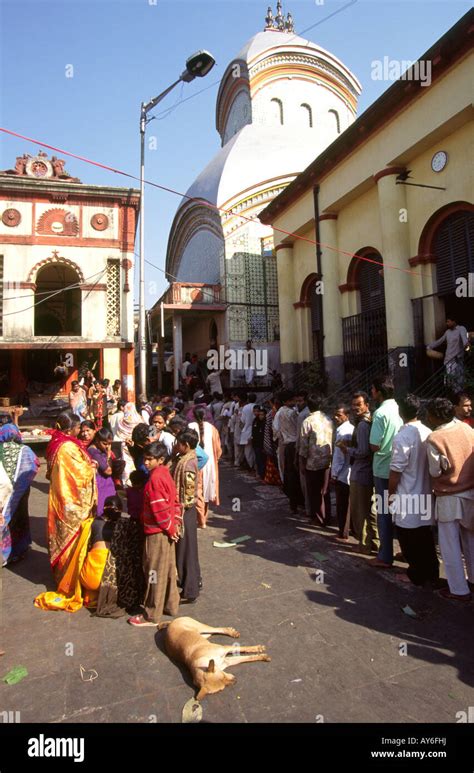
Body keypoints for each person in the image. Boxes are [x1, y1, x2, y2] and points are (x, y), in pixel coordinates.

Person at [34, 411, 97, 613]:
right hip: (71, 504)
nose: (81, 431)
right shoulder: (68, 447)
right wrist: (92, 466)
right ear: (71, 429)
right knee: (74, 541)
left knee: (62, 538)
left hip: (60, 501)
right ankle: (71, 582)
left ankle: (63, 577)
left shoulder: (55, 443)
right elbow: (80, 476)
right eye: (78, 427)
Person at [425, 397, 474, 601]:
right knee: (470, 540)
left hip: (448, 496)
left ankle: (458, 589)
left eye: (429, 414)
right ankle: (472, 580)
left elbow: (435, 471)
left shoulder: (435, 438)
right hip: (470, 492)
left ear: (436, 416)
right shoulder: (467, 429)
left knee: (450, 544)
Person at [127, 441, 181, 626]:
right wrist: (174, 527)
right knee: (167, 570)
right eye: (145, 458)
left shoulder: (154, 480)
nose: (146, 462)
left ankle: (151, 614)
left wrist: (169, 528)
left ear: (160, 459)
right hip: (167, 530)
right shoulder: (165, 474)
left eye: (150, 459)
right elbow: (174, 503)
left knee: (154, 572)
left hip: (157, 532)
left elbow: (160, 509)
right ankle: (171, 605)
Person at [388, 395, 439, 587]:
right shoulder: (427, 432)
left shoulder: (402, 436)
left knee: (409, 536)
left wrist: (390, 495)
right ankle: (431, 572)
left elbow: (395, 472)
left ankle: (416, 574)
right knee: (424, 535)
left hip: (408, 494)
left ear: (400, 412)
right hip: (425, 491)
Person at [80, 495, 145, 616]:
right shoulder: (124, 525)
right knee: (130, 559)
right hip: (106, 583)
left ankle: (91, 595)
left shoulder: (91, 523)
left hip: (87, 579)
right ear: (120, 510)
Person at [369, 375, 402, 568]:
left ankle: (385, 555)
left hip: (383, 468)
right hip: (400, 466)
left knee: (384, 513)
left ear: (379, 392)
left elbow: (374, 445)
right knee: (403, 512)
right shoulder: (399, 408)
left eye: (373, 390)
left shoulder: (380, 413)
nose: (372, 393)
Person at [0, 420, 39, 566]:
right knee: (19, 519)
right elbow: (35, 465)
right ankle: (16, 551)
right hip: (20, 493)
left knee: (4, 520)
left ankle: (3, 554)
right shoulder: (25, 450)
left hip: (2, 494)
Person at [344, 392, 379, 555]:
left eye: (359, 404)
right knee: (370, 510)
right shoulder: (366, 422)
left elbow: (363, 451)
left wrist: (347, 449)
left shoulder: (364, 425)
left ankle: (365, 544)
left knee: (361, 511)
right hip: (367, 470)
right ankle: (375, 542)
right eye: (353, 405)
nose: (355, 408)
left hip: (362, 471)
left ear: (367, 405)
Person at [171, 429, 201, 603]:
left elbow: (189, 493)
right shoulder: (184, 459)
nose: (176, 445)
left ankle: (190, 588)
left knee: (186, 549)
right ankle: (192, 582)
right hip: (183, 509)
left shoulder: (188, 463)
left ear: (186, 445)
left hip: (185, 510)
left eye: (179, 443)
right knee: (187, 548)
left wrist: (180, 508)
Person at [300, 394, 333, 524]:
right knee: (325, 490)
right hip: (327, 460)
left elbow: (303, 445)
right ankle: (327, 516)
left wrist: (301, 462)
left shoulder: (307, 421)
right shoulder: (328, 419)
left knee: (313, 491)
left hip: (312, 462)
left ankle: (319, 517)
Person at [189, 408, 222, 528]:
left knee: (197, 492)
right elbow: (218, 450)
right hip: (210, 464)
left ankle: (201, 520)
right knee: (207, 491)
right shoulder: (212, 428)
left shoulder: (190, 426)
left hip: (195, 463)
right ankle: (203, 518)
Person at [274, 390, 303, 513]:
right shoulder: (293, 413)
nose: (294, 402)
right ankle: (298, 501)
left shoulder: (279, 413)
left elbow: (275, 430)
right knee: (296, 474)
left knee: (288, 473)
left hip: (285, 444)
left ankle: (293, 502)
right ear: (286, 401)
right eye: (292, 400)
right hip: (294, 444)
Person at [331, 404, 354, 542]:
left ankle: (343, 532)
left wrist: (334, 473)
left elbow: (339, 456)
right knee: (347, 504)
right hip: (349, 472)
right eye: (335, 414)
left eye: (339, 415)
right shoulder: (351, 429)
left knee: (342, 505)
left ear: (346, 415)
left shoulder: (342, 431)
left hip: (343, 473)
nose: (336, 417)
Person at [428, 317, 469, 391]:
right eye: (446, 322)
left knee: (460, 378)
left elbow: (464, 339)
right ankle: (453, 395)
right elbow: (440, 341)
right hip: (448, 359)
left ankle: (460, 395)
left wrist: (466, 344)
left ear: (454, 321)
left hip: (457, 358)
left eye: (448, 322)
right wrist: (429, 346)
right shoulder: (447, 332)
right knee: (450, 380)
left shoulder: (461, 329)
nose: (447, 324)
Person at [87, 428, 117, 516]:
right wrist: (108, 455)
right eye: (105, 443)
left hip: (105, 484)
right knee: (102, 511)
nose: (107, 446)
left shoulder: (100, 449)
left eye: (109, 444)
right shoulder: (94, 452)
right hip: (100, 485)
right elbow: (108, 471)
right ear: (97, 440)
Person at [115, 402, 143, 485]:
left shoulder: (121, 422)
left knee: (127, 466)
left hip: (124, 447)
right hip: (136, 447)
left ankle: (127, 483)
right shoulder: (139, 420)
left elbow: (119, 434)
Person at [295, 391, 310, 517]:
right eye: (297, 401)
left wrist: (298, 453)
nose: (298, 404)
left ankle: (308, 508)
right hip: (315, 454)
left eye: (300, 401)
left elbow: (300, 437)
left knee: (305, 481)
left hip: (305, 452)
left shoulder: (303, 416)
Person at [263, 396, 282, 486]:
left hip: (275, 439)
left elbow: (270, 428)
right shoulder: (274, 413)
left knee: (275, 460)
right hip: (275, 439)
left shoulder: (274, 413)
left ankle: (277, 479)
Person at [239, 391, 257, 473]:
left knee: (248, 450)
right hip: (256, 430)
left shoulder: (245, 407)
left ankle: (251, 466)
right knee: (255, 449)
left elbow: (242, 420)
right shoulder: (258, 406)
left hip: (246, 430)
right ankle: (255, 466)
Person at [252, 405, 267, 479]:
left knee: (262, 460)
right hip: (256, 444)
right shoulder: (255, 420)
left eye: (262, 414)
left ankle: (263, 474)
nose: (260, 416)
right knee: (258, 459)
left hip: (263, 444)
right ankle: (260, 474)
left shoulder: (265, 423)